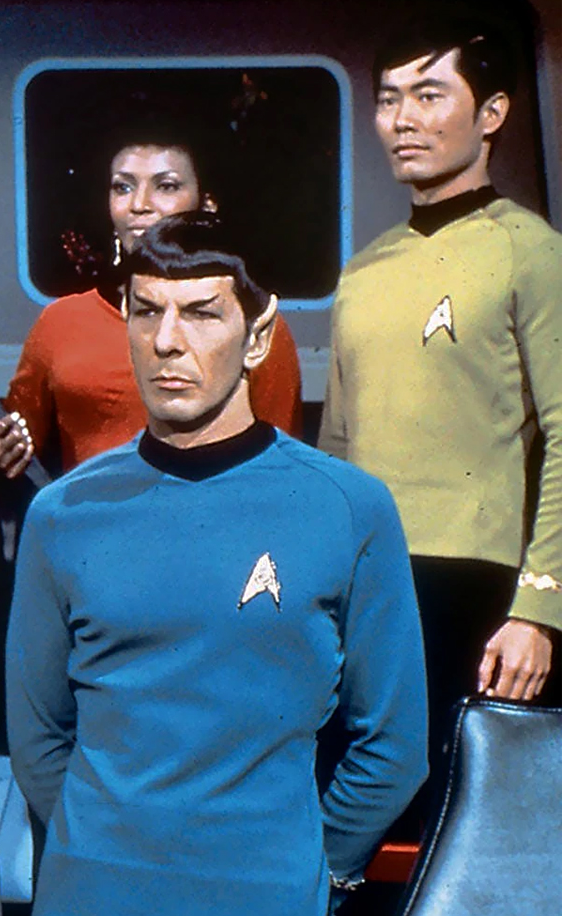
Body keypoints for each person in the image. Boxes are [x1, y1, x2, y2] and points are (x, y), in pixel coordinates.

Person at [7, 213, 426, 916]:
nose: (167, 341)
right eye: (147, 312)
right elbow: (36, 739)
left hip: (268, 894)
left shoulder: (348, 507)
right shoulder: (62, 513)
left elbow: (394, 746)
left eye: (201, 313)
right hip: (92, 891)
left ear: (257, 336)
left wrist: (310, 871)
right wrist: (100, 853)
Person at [321, 17, 562, 765]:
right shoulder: (363, 271)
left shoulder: (532, 252)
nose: (402, 120)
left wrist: (539, 610)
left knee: (467, 814)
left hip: (480, 594)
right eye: (389, 99)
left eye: (428, 95)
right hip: (363, 587)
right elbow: (336, 450)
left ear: (491, 114)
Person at [0, 122, 301, 505]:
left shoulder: (252, 324)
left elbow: (283, 477)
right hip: (89, 534)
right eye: (123, 187)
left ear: (207, 202)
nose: (139, 204)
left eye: (166, 186)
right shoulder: (61, 323)